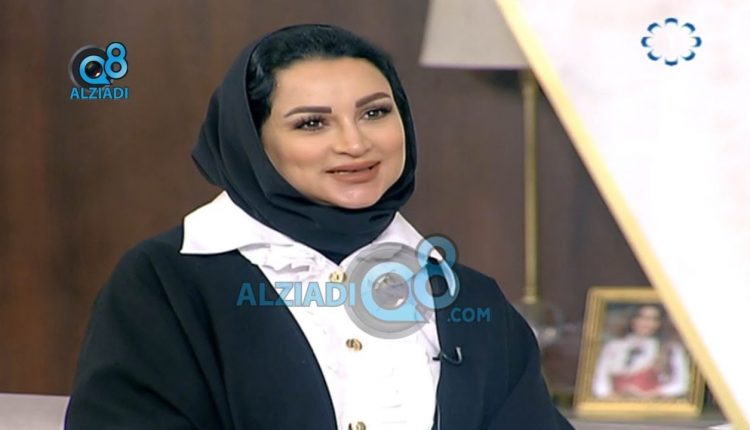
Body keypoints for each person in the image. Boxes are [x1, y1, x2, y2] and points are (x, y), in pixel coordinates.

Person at [64, 24, 573, 429]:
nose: (354, 144)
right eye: (311, 123)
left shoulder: (468, 299)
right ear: (251, 141)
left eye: (375, 113)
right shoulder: (165, 284)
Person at [591, 304, 689, 399]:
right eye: (641, 317)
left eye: (653, 319)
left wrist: (654, 394)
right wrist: (610, 396)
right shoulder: (613, 346)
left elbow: (681, 384)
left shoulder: (669, 349)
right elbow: (600, 378)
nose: (646, 323)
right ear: (632, 319)